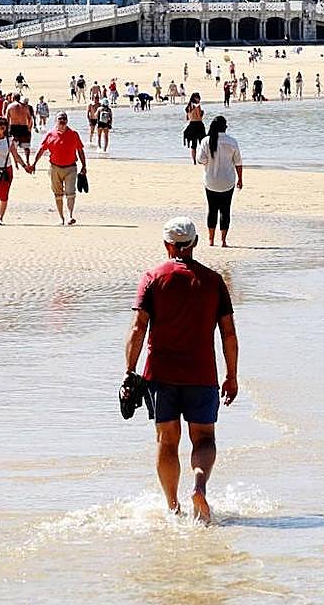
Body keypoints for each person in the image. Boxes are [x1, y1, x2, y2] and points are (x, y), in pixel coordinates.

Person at [124, 216, 239, 524]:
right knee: (203, 439)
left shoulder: (152, 277)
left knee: (167, 440)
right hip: (202, 375)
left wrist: (129, 371)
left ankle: (173, 506)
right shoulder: (213, 281)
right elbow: (228, 332)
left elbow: (138, 328)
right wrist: (232, 375)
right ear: (195, 244)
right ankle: (199, 486)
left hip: (161, 375)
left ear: (167, 245)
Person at [31, 111, 87, 226]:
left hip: (71, 167)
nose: (62, 121)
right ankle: (61, 218)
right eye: (60, 119)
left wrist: (84, 166)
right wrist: (34, 164)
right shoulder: (50, 135)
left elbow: (80, 150)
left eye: (64, 119)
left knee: (71, 192)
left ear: (67, 121)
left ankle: (70, 216)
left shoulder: (74, 134)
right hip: (54, 168)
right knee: (58, 194)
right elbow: (41, 149)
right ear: (56, 121)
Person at [197, 116, 243, 247]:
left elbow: (201, 160)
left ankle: (211, 240)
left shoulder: (206, 141)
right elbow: (238, 162)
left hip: (211, 181)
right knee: (225, 210)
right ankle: (223, 241)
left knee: (212, 210)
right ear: (225, 127)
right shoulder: (232, 142)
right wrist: (240, 179)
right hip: (228, 181)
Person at [6, 95, 34, 165]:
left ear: (13, 98)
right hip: (24, 127)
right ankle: (27, 160)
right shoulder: (25, 107)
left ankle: (16, 161)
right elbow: (30, 118)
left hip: (14, 127)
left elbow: (7, 119)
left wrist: (8, 129)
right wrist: (29, 128)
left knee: (13, 147)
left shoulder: (10, 106)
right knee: (26, 147)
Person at [183, 93, 206, 164]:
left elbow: (187, 118)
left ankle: (194, 161)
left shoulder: (188, 107)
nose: (199, 99)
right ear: (195, 98)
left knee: (193, 145)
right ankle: (202, 159)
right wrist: (202, 113)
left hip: (191, 125)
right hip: (198, 125)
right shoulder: (197, 106)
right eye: (198, 98)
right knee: (202, 143)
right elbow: (199, 117)